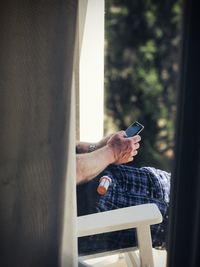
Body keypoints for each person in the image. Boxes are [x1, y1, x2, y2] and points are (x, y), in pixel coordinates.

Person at [76, 131, 170, 255]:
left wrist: (97, 148)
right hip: (104, 198)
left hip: (153, 186)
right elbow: (66, 172)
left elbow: (69, 151)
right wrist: (111, 151)